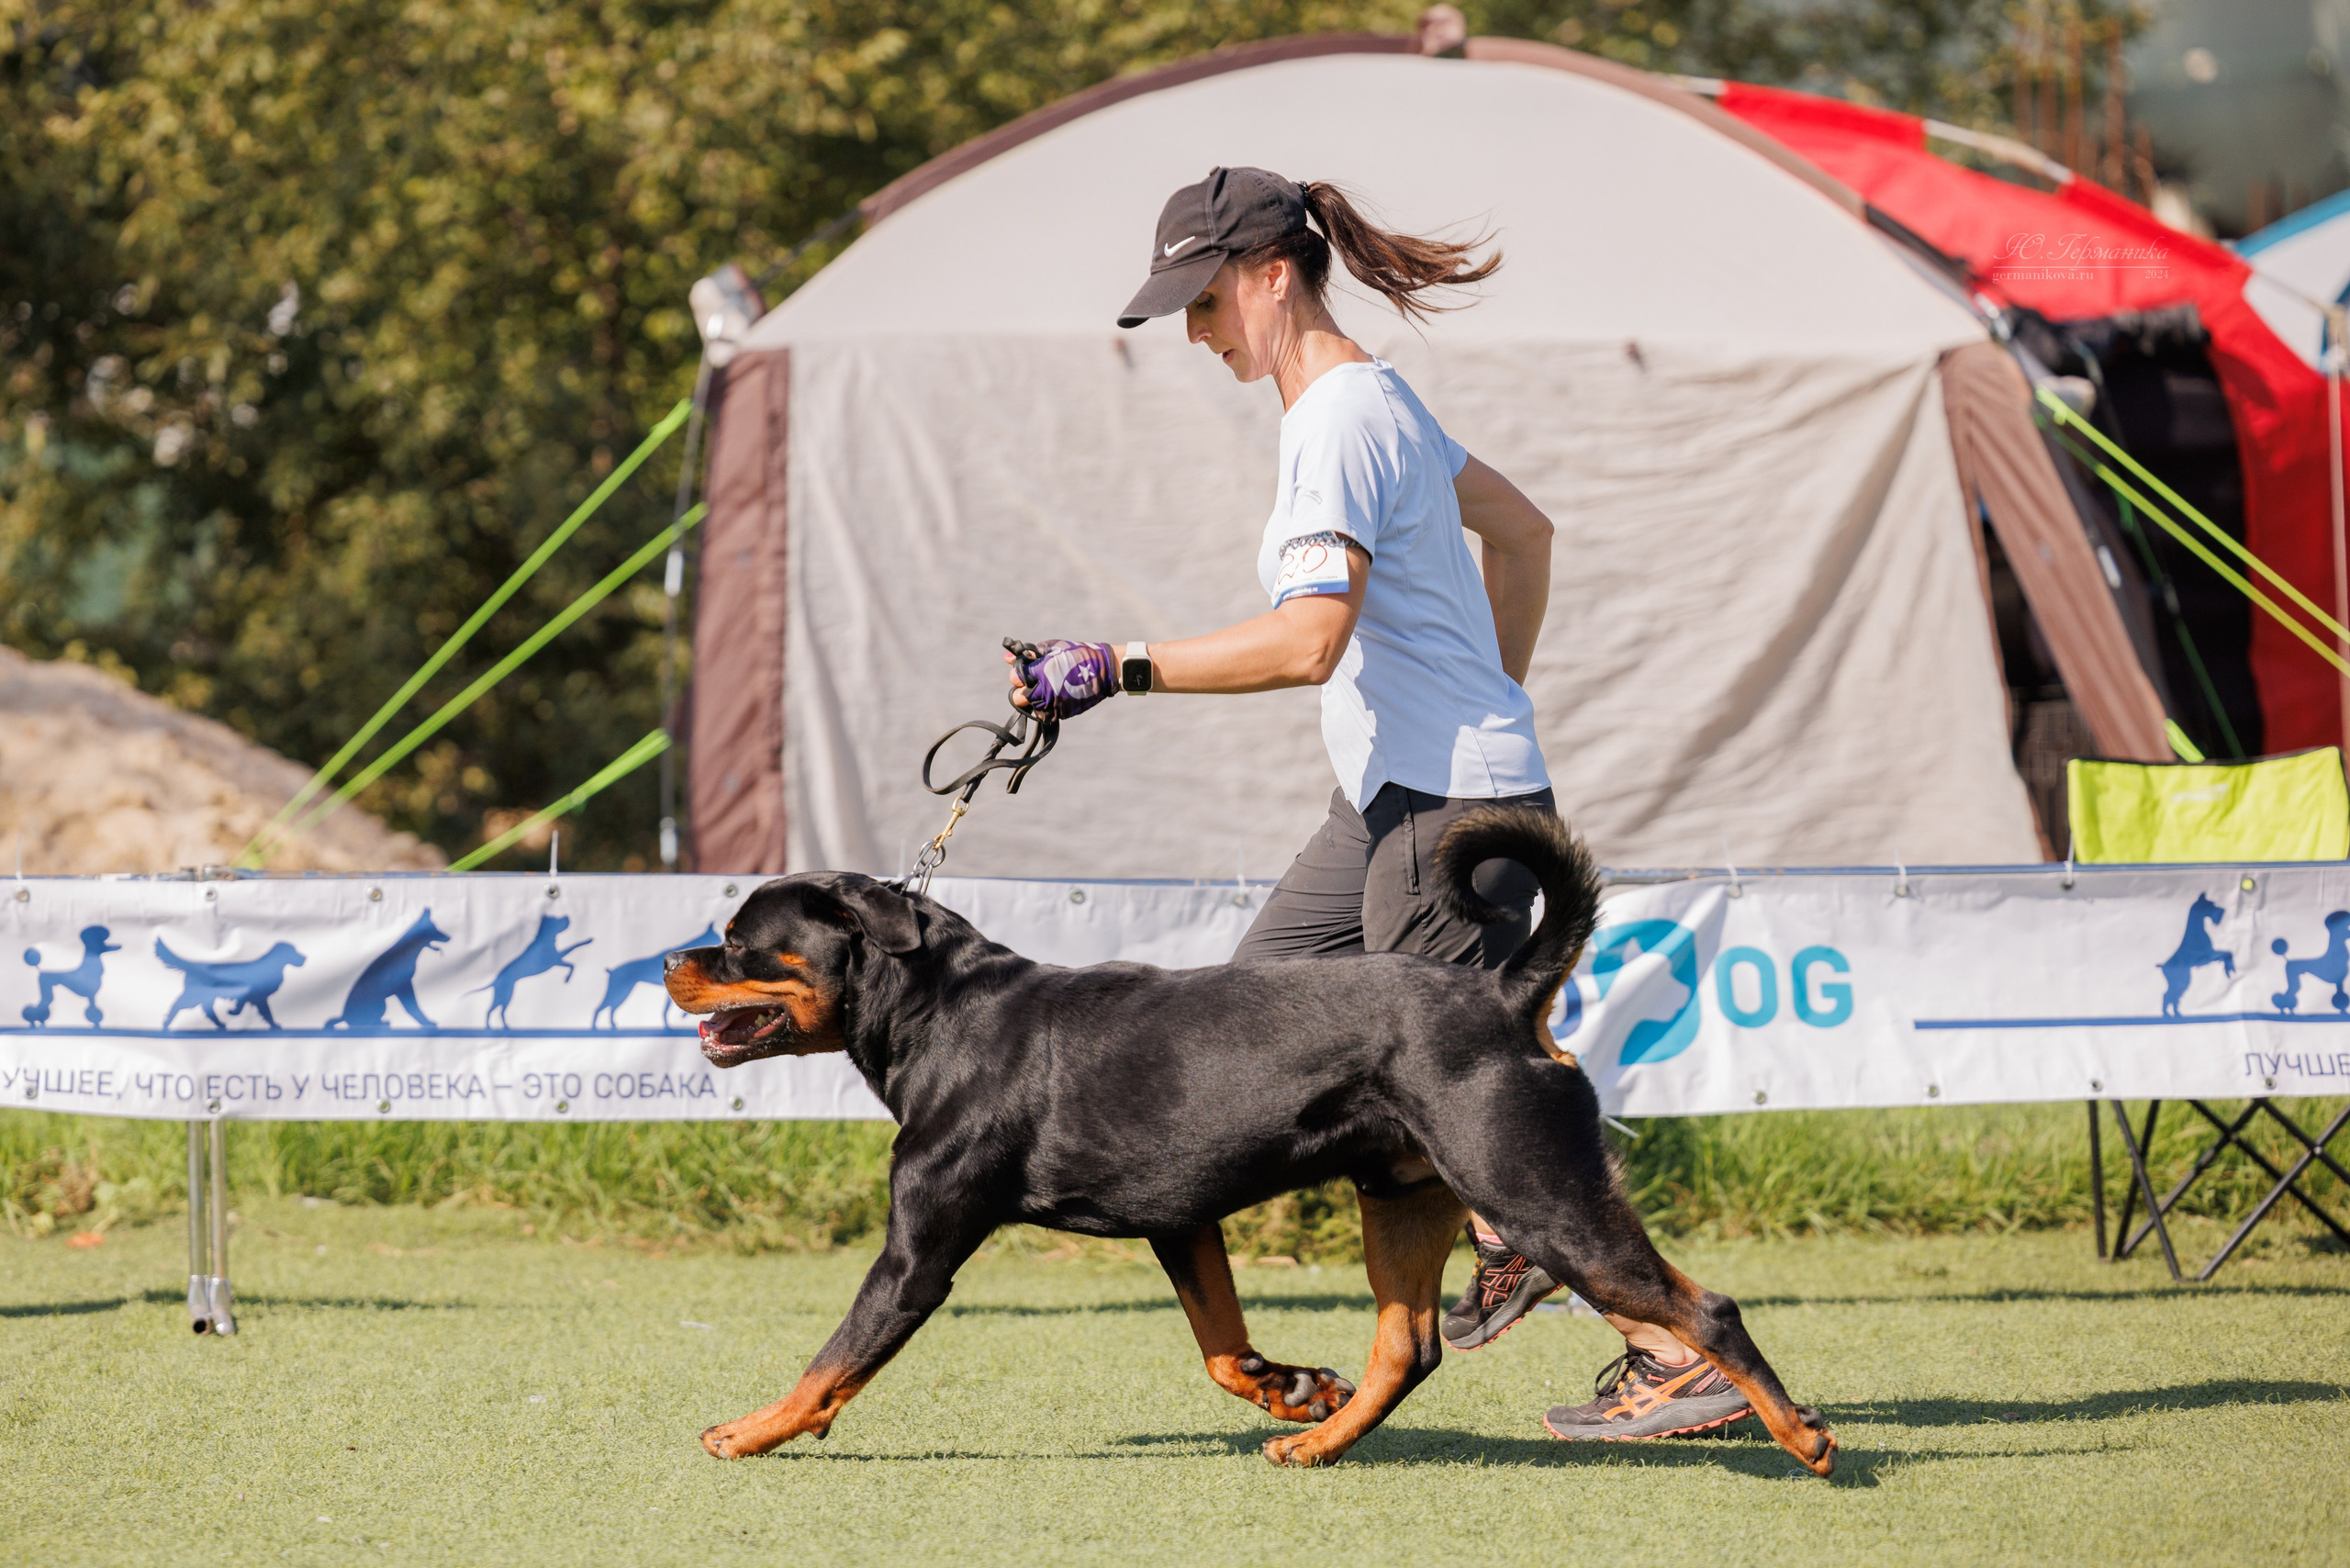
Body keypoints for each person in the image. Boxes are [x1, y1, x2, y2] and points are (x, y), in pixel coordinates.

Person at [1007, 167, 1751, 1444]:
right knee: (1241, 1032)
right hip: (1394, 801)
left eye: (1202, 302)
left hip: (1444, 815)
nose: (1193, 333)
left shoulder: (1342, 419)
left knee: (1456, 1106)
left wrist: (1116, 666)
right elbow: (1527, 533)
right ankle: (1477, 1234)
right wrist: (1485, 698)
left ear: (1270, 275)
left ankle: (1669, 1350)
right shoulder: (1373, 400)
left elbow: (1311, 641)